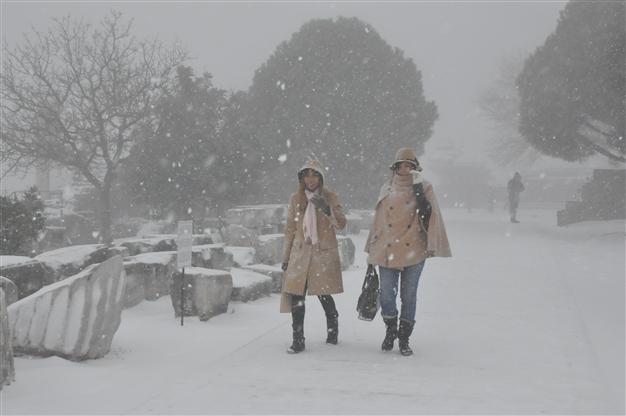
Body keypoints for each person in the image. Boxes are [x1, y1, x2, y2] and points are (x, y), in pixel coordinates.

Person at [365, 148, 451, 356]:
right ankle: (390, 330)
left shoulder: (425, 186)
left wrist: (420, 195)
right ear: (396, 167)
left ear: (415, 168)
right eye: (402, 165)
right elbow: (379, 221)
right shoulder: (387, 187)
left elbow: (432, 217)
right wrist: (372, 248)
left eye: (410, 165)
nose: (406, 169)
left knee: (408, 295)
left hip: (414, 249)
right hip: (387, 250)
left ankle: (404, 338)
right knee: (386, 295)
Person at [280, 159, 347, 354]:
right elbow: (290, 229)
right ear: (301, 178)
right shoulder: (296, 198)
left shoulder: (330, 196)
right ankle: (298, 339)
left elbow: (341, 223)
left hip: (322, 254)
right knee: (297, 297)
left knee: (323, 294)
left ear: (320, 177)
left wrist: (326, 208)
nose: (310, 180)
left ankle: (332, 328)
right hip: (300, 253)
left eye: (314, 175)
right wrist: (285, 258)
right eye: (306, 175)